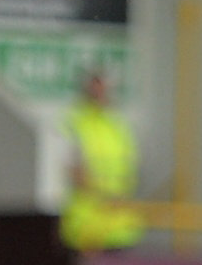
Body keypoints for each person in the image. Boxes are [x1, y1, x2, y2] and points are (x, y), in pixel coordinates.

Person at [59, 67, 144, 255]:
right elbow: (73, 171)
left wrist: (119, 198)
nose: (100, 93)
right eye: (95, 88)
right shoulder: (74, 124)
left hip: (120, 229)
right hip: (86, 229)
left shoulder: (119, 126)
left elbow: (130, 171)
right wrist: (105, 197)